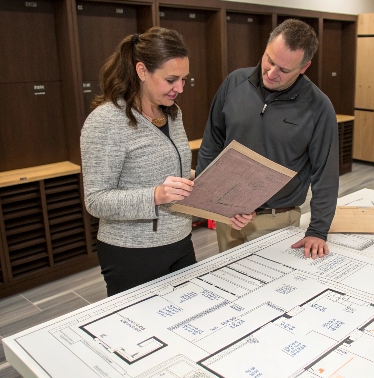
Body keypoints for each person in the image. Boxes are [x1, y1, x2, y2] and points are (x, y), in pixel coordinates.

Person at [80, 27, 253, 296]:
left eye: (184, 79)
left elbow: (180, 175)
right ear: (141, 71)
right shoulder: (106, 121)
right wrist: (157, 195)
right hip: (132, 253)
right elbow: (96, 200)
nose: (180, 88)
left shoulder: (173, 114)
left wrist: (225, 195)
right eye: (171, 79)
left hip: (181, 241)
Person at [197, 19, 339, 260]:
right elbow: (212, 143)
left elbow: (325, 174)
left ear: (304, 68)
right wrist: (209, 200)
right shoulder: (234, 83)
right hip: (228, 217)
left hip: (277, 219)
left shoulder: (318, 107)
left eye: (284, 70)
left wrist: (318, 230)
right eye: (269, 60)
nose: (272, 73)